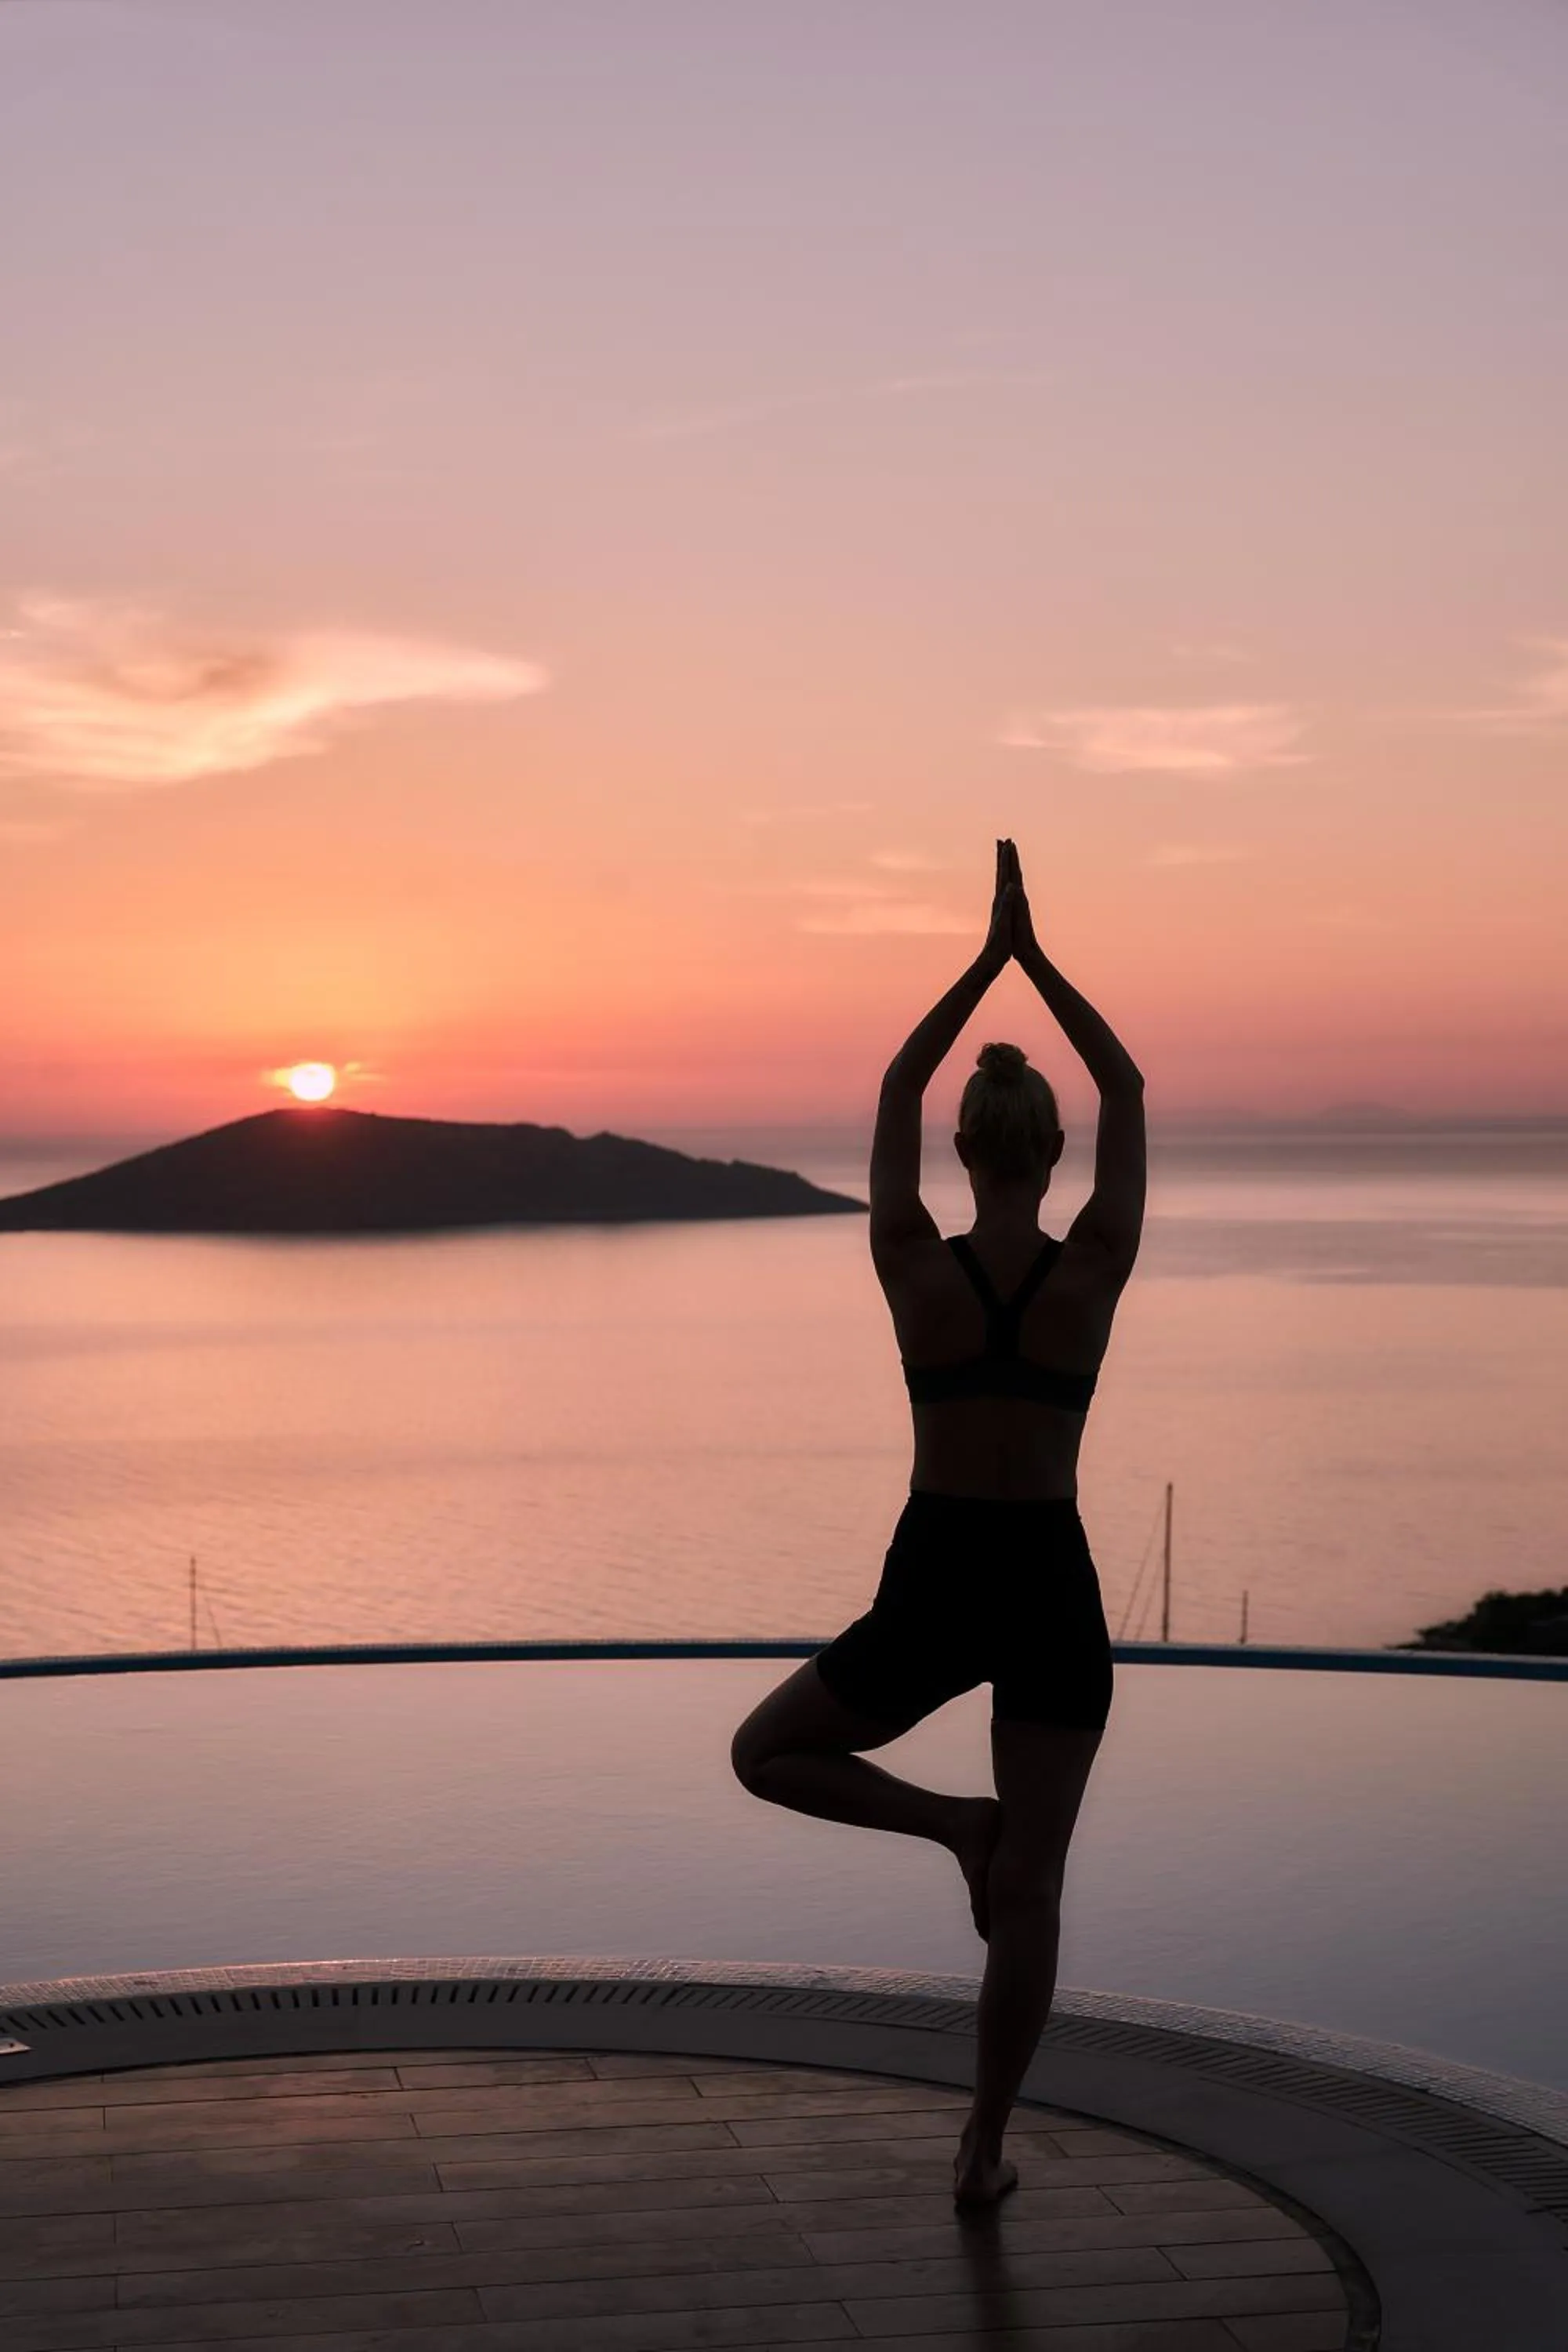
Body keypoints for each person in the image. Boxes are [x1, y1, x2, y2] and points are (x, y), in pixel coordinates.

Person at [731, 837, 1146, 2210]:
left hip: (939, 1573)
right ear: (1057, 1150)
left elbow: (898, 1086)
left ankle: (951, 1825)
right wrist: (1038, 961)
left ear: (963, 1148)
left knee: (766, 1754)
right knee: (1035, 1889)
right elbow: (1127, 1084)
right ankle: (982, 2149)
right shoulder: (1096, 1267)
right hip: (1050, 1581)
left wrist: (983, 964)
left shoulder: (911, 1260)